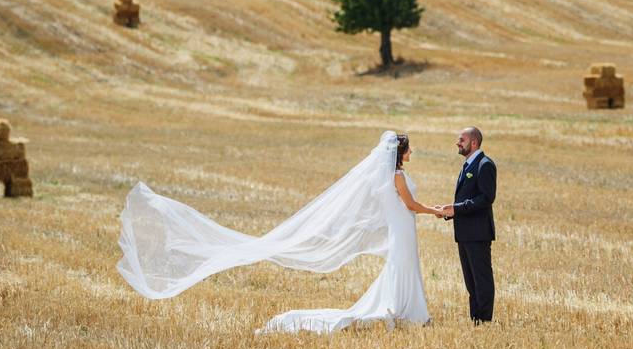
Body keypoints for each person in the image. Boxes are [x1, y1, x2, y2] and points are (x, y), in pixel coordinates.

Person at [116, 131, 442, 333]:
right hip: (404, 227)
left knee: (401, 266)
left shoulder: (385, 177)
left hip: (402, 229)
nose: (412, 154)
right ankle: (404, 309)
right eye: (410, 150)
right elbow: (410, 205)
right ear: (401, 153)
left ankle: (405, 308)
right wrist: (437, 210)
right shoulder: (396, 177)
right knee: (401, 265)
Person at [437, 126, 497, 324]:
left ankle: (485, 320)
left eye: (461, 139)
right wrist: (450, 211)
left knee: (482, 279)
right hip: (464, 233)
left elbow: (486, 198)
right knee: (471, 282)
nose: (457, 142)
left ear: (474, 143)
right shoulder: (467, 165)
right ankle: (475, 319)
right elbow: (467, 199)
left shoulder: (485, 165)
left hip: (478, 233)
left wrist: (457, 208)